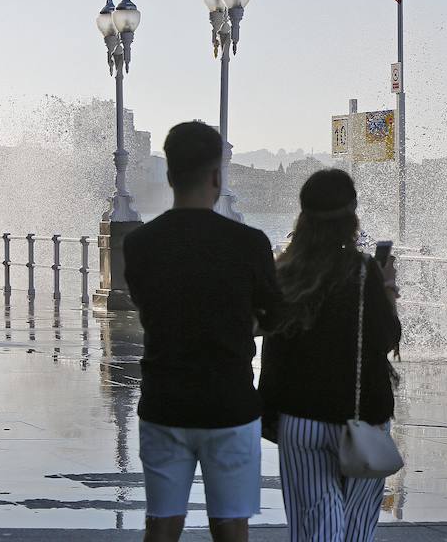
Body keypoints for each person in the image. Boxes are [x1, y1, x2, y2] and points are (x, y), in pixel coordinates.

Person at [124, 121, 280, 542]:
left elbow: (146, 307)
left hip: (164, 400)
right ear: (217, 175)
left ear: (171, 175)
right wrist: (239, 322)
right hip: (230, 403)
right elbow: (275, 314)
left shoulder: (140, 243)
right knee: (231, 524)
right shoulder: (249, 243)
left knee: (162, 523)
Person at [259, 169, 401, 542]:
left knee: (316, 524)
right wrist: (386, 289)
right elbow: (385, 338)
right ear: (352, 213)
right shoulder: (363, 270)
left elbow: (273, 349)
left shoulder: (285, 270)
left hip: (301, 419)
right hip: (361, 418)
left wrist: (269, 415)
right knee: (355, 526)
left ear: (302, 216)